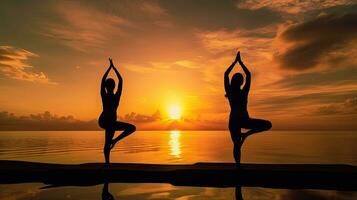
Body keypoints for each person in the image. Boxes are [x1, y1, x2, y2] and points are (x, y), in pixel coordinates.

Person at [224, 51, 272, 163]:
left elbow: (226, 74)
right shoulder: (240, 92)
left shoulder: (231, 91)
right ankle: (246, 135)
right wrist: (240, 62)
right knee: (267, 125)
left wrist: (235, 62)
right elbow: (248, 75)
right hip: (241, 120)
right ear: (240, 82)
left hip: (237, 121)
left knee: (237, 145)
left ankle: (238, 165)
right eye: (240, 79)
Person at [99, 58, 136, 165]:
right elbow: (121, 80)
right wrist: (113, 68)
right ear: (113, 87)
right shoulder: (114, 96)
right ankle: (114, 142)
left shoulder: (105, 95)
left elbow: (103, 81)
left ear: (107, 87)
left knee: (108, 142)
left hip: (106, 121)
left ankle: (107, 161)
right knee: (131, 128)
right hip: (107, 121)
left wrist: (110, 68)